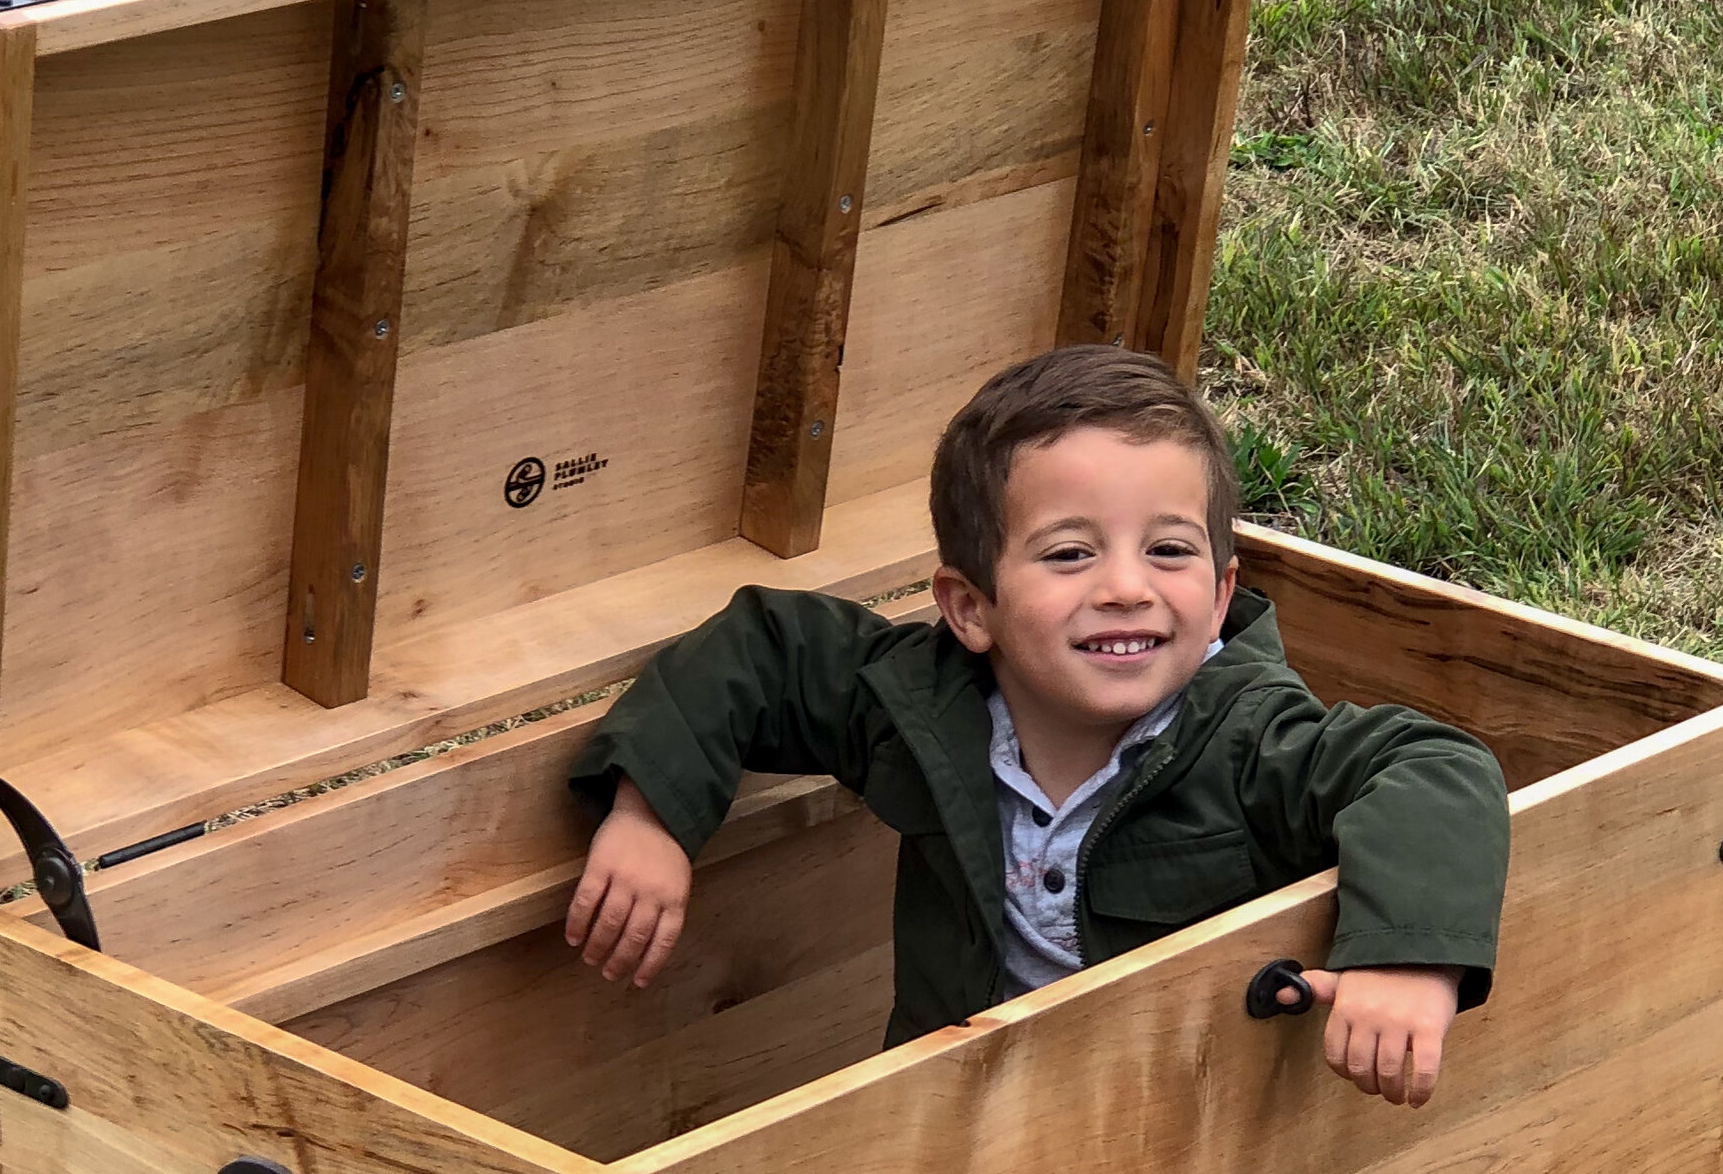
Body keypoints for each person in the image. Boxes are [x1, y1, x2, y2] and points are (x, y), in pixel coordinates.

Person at [564, 346, 1510, 1108]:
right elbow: (765, 650)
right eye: (1069, 553)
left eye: (1170, 550)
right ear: (969, 608)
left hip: (1177, 1129)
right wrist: (652, 813)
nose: (1127, 586)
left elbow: (1431, 767)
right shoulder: (922, 704)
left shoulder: (1249, 737)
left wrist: (1405, 955)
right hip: (943, 1119)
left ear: (1222, 595)